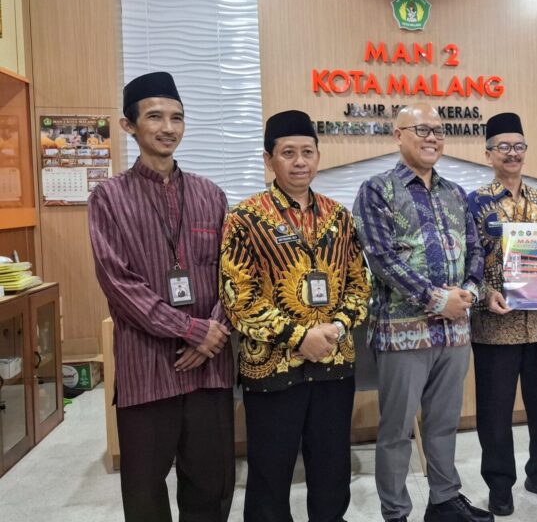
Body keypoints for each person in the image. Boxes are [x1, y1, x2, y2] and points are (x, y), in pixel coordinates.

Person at [88, 71, 234, 522]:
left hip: (210, 369)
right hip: (147, 367)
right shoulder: (108, 198)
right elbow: (119, 283)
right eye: (155, 117)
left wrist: (213, 331)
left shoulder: (211, 195)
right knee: (145, 491)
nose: (168, 127)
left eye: (177, 117)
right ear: (128, 125)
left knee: (212, 484)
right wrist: (192, 330)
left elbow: (234, 275)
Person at [219, 110, 369, 522]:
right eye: (288, 153)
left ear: (318, 156)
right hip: (272, 367)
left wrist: (337, 327)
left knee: (332, 466)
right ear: (269, 160)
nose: (299, 161)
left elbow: (360, 284)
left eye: (307, 152)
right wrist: (299, 336)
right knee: (270, 471)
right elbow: (238, 298)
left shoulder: (339, 217)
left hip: (334, 363)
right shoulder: (245, 219)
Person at [353, 103, 492, 522]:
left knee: (444, 423)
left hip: (455, 333)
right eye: (422, 129)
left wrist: (468, 293)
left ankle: (444, 500)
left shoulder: (455, 193)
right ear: (398, 135)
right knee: (397, 430)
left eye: (438, 130)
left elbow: (475, 252)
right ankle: (396, 511)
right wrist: (436, 300)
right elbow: (380, 257)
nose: (432, 137)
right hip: (403, 333)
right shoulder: (377, 190)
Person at [466, 113, 537, 516]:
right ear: (488, 153)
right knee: (495, 411)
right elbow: (467, 262)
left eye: (518, 146)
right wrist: (485, 293)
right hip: (495, 324)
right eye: (503, 147)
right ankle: (499, 483)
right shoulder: (474, 203)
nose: (512, 153)